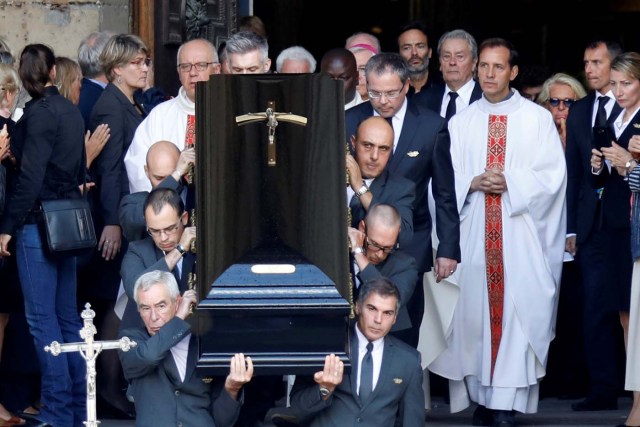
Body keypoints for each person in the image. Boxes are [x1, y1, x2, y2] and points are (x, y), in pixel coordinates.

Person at [428, 37, 567, 427]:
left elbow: (553, 178)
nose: (489, 74)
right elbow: (442, 183)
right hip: (474, 234)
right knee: (474, 317)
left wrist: (511, 182)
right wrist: (470, 183)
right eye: (484, 66)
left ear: (513, 72)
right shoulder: (461, 122)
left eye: (498, 67)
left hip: (520, 235)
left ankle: (504, 401)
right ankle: (483, 401)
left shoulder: (536, 119)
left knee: (517, 315)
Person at [345, 52, 460, 348]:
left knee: (404, 329)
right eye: (374, 92)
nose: (382, 100)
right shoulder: (349, 121)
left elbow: (444, 191)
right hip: (355, 244)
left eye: (391, 92)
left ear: (406, 86)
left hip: (409, 244)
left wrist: (447, 248)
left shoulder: (430, 125)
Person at [0, 43, 87, 427]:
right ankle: (80, 409)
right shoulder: (71, 110)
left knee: (42, 321)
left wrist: (6, 228)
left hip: (38, 224)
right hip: (69, 222)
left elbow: (30, 178)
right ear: (53, 72)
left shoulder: (36, 114)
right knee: (68, 318)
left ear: (23, 76)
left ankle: (56, 412)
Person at [565, 39, 626, 412]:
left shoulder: (631, 105)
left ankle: (631, 387)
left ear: (616, 65)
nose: (589, 69)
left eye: (597, 62)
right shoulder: (580, 110)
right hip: (590, 227)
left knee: (628, 308)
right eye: (585, 62)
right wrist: (571, 228)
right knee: (595, 308)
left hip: (626, 222)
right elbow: (573, 173)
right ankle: (603, 388)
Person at [119, 270, 253, 426]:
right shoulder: (130, 341)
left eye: (161, 306)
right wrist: (179, 318)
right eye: (145, 308)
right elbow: (149, 356)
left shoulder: (203, 343)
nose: (153, 317)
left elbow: (221, 422)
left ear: (177, 302)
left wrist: (231, 389)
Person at [289, 277, 425, 426]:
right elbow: (296, 409)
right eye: (372, 308)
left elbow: (412, 421)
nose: (378, 320)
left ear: (395, 318)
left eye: (387, 313)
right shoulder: (327, 347)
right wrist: (325, 389)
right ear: (357, 307)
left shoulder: (408, 361)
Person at [590, 51, 640, 427]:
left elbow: (633, 175)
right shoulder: (615, 117)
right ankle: (635, 398)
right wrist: (600, 168)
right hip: (614, 225)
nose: (618, 91)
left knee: (636, 316)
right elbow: (610, 180)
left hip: (633, 227)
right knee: (624, 315)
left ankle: (639, 403)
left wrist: (628, 165)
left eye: (627, 83)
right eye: (616, 84)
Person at [125, 38, 220, 193]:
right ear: (178, 72)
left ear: (217, 70)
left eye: (201, 65)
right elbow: (138, 169)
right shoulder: (160, 116)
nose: (193, 73)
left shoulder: (232, 112)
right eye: (185, 66)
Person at [119, 187, 196, 331]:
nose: (163, 237)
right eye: (154, 231)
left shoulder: (199, 246)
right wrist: (178, 251)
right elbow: (135, 289)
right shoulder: (137, 251)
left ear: (184, 218)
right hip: (151, 341)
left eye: (170, 228)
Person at [348, 203, 418, 344]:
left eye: (387, 248)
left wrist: (359, 254)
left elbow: (389, 295)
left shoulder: (405, 266)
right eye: (374, 244)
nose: (379, 254)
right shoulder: (339, 256)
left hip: (388, 343)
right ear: (362, 228)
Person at [346, 116, 414, 247]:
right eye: (367, 145)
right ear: (353, 143)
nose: (374, 156)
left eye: (383, 148)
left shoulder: (401, 188)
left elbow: (404, 236)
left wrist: (361, 189)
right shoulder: (331, 175)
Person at [119, 140, 193, 242]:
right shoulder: (133, 203)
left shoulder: (192, 195)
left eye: (170, 176)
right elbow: (133, 221)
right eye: (159, 178)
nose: (167, 181)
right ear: (147, 171)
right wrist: (176, 174)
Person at [54, 56, 111, 170]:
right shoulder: (65, 120)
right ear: (67, 83)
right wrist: (88, 156)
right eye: (77, 80)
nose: (81, 85)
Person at [414, 29, 482, 120]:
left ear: (474, 62)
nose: (452, 62)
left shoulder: (487, 99)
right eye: (446, 56)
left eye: (459, 56)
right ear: (440, 63)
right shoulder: (421, 101)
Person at [536, 72, 587, 150]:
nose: (561, 107)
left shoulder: (589, 134)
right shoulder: (536, 134)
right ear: (545, 104)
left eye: (568, 102)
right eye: (554, 101)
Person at [397, 20, 433, 95]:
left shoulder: (444, 87)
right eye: (407, 48)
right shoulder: (393, 90)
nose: (414, 53)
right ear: (399, 54)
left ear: (430, 52)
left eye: (420, 46)